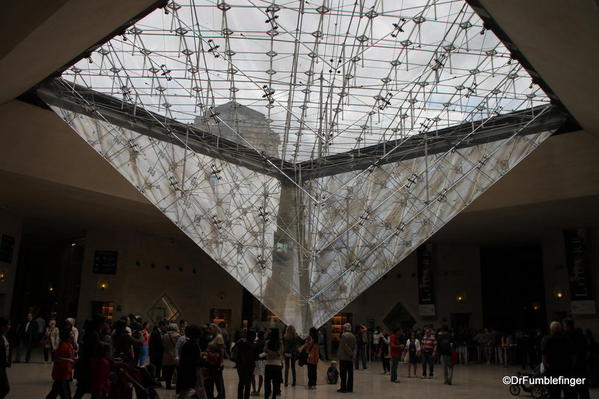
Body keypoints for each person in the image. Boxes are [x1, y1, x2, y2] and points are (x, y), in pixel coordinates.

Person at [73, 315, 107, 399]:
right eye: (104, 322)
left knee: (82, 389)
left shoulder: (92, 332)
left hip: (87, 364)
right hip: (90, 365)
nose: (105, 325)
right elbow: (93, 350)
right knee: (87, 389)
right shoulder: (94, 334)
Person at [542, 321, 574, 399]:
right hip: (566, 369)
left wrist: (545, 366)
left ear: (551, 329)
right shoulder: (567, 339)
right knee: (568, 393)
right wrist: (571, 365)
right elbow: (573, 354)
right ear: (560, 329)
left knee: (554, 394)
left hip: (552, 370)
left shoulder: (547, 339)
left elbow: (544, 355)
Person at [177, 324, 207, 398]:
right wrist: (205, 360)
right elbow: (195, 361)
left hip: (185, 373)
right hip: (191, 374)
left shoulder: (187, 344)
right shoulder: (194, 345)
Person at [45, 327, 76, 399]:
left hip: (65, 373)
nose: (73, 335)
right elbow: (57, 358)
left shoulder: (69, 344)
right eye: (71, 334)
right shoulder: (63, 345)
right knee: (65, 395)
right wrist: (69, 360)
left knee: (54, 393)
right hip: (61, 374)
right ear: (67, 336)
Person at [564, 319, 589, 399]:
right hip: (582, 365)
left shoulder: (566, 335)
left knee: (571, 391)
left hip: (572, 366)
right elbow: (587, 349)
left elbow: (571, 353)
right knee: (583, 390)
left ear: (566, 325)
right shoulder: (581, 335)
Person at [233, 329, 257, 399]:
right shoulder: (253, 345)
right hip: (250, 365)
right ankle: (246, 397)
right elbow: (256, 356)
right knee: (248, 383)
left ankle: (239, 397)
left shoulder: (240, 342)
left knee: (241, 382)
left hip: (240, 365)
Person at [205, 323, 225, 399]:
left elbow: (222, 350)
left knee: (218, 380)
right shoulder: (212, 337)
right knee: (212, 379)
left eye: (210, 328)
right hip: (211, 361)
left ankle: (221, 395)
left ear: (215, 329)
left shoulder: (219, 337)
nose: (209, 330)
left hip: (216, 361)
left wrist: (221, 362)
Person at [264, 328, 283, 399]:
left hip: (269, 364)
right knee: (275, 383)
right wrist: (275, 353)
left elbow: (265, 351)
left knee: (267, 383)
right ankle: (274, 397)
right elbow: (279, 353)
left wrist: (269, 352)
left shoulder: (268, 342)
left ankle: (266, 397)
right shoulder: (280, 343)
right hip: (277, 365)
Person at [161, 323, 181, 390]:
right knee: (178, 372)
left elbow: (163, 345)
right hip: (175, 355)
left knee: (168, 372)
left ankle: (168, 385)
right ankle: (178, 385)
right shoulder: (177, 335)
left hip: (166, 355)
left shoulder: (165, 335)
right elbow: (179, 346)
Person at [337, 323, 356, 393]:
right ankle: (350, 388)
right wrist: (353, 355)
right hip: (350, 358)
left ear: (344, 328)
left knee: (343, 373)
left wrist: (350, 353)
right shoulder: (353, 336)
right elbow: (354, 347)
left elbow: (345, 346)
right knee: (350, 374)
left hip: (344, 357)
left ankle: (343, 388)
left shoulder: (344, 335)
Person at [252, 330, 266, 396]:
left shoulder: (255, 342)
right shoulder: (265, 342)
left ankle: (254, 389)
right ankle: (258, 390)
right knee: (260, 375)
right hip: (262, 360)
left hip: (255, 359)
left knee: (253, 375)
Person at [0, 317, 11, 399]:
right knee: (5, 388)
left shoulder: (3, 336)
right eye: (8, 324)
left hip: (2, 366)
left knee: (5, 388)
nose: (9, 326)